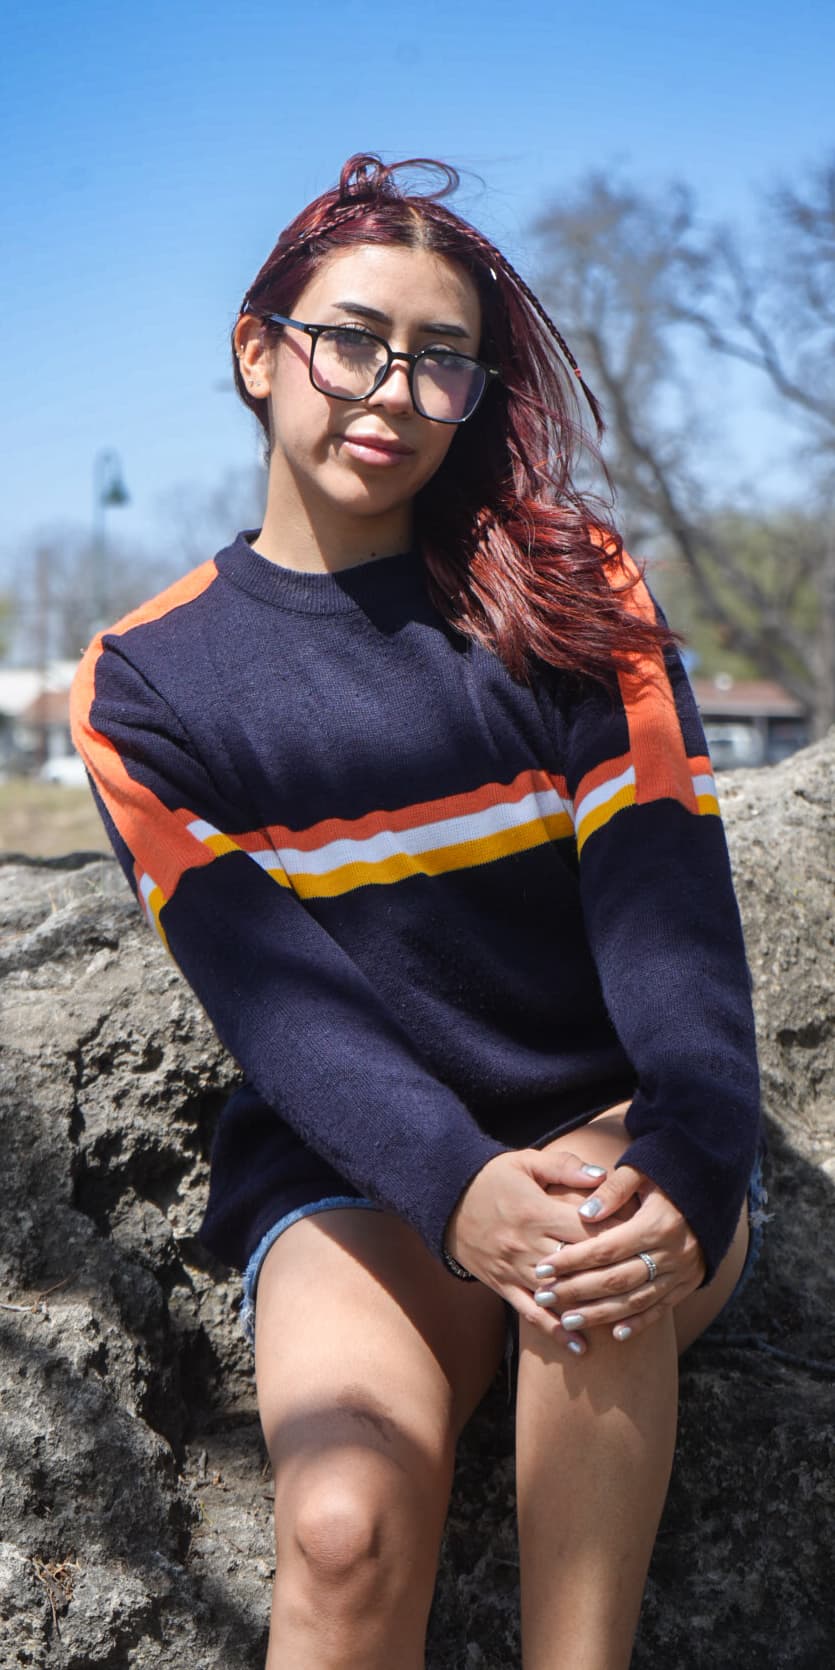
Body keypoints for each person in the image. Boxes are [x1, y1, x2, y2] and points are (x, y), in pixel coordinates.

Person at [70, 153, 762, 1670]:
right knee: (341, 1522)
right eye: (353, 337)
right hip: (360, 1175)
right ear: (259, 351)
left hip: (616, 1123)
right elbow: (276, 1003)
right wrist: (454, 1183)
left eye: (441, 357)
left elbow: (667, 909)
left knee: (587, 1265)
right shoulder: (143, 682)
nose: (392, 388)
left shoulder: (571, 590)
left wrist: (693, 1142)